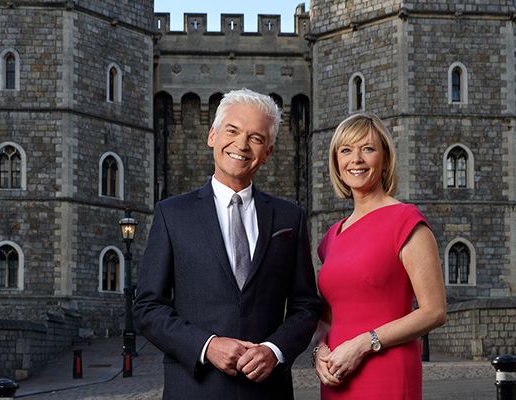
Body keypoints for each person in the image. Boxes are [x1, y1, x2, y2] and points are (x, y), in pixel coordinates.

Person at [133, 88, 322, 400]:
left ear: (268, 152)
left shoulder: (291, 218)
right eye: (232, 131)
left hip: (267, 391)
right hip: (194, 388)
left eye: (256, 138)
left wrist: (274, 350)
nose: (242, 144)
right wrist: (207, 346)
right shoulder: (172, 214)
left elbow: (305, 306)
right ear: (212, 136)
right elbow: (147, 307)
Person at [313, 113, 447, 399]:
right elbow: (328, 315)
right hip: (337, 374)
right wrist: (320, 350)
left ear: (385, 158)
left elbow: (434, 311)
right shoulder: (331, 237)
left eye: (368, 149)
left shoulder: (406, 221)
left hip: (386, 371)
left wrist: (363, 343)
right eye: (346, 150)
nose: (356, 159)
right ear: (336, 162)